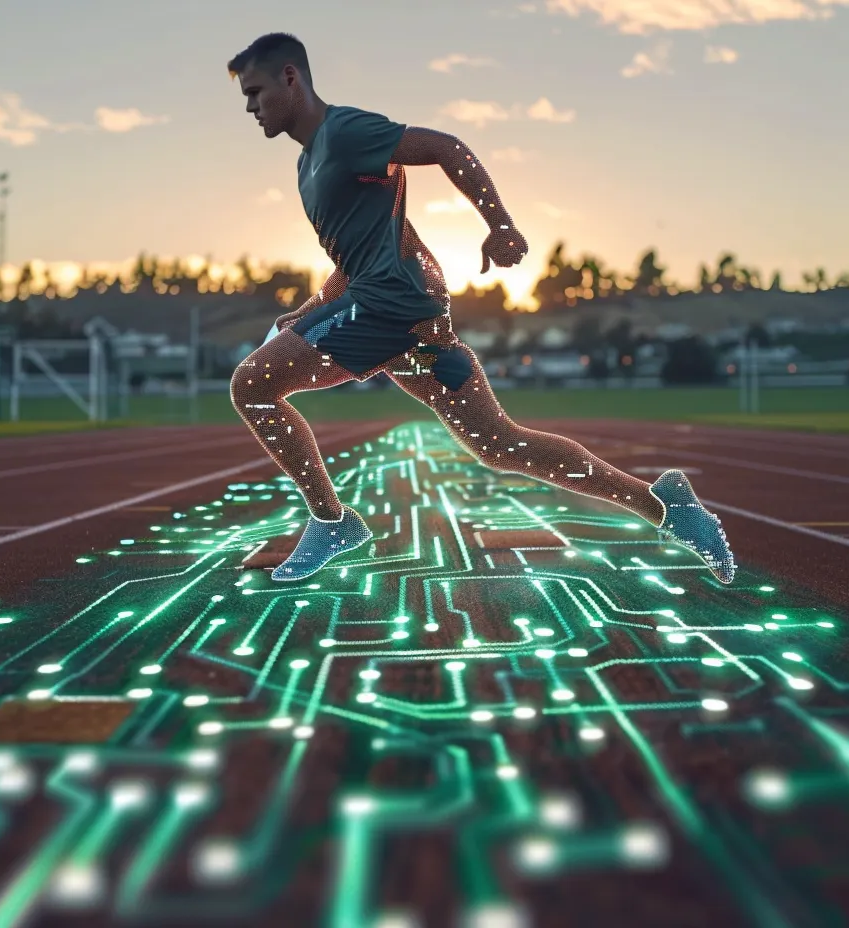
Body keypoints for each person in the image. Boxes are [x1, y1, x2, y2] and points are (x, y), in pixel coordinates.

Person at [226, 33, 735, 585]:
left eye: (255, 92)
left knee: (252, 384)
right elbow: (362, 254)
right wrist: (309, 311)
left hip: (387, 310)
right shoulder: (308, 167)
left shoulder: (345, 132)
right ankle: (664, 505)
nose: (251, 108)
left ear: (291, 79)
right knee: (500, 443)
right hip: (398, 316)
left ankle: (331, 521)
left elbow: (445, 146)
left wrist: (500, 224)